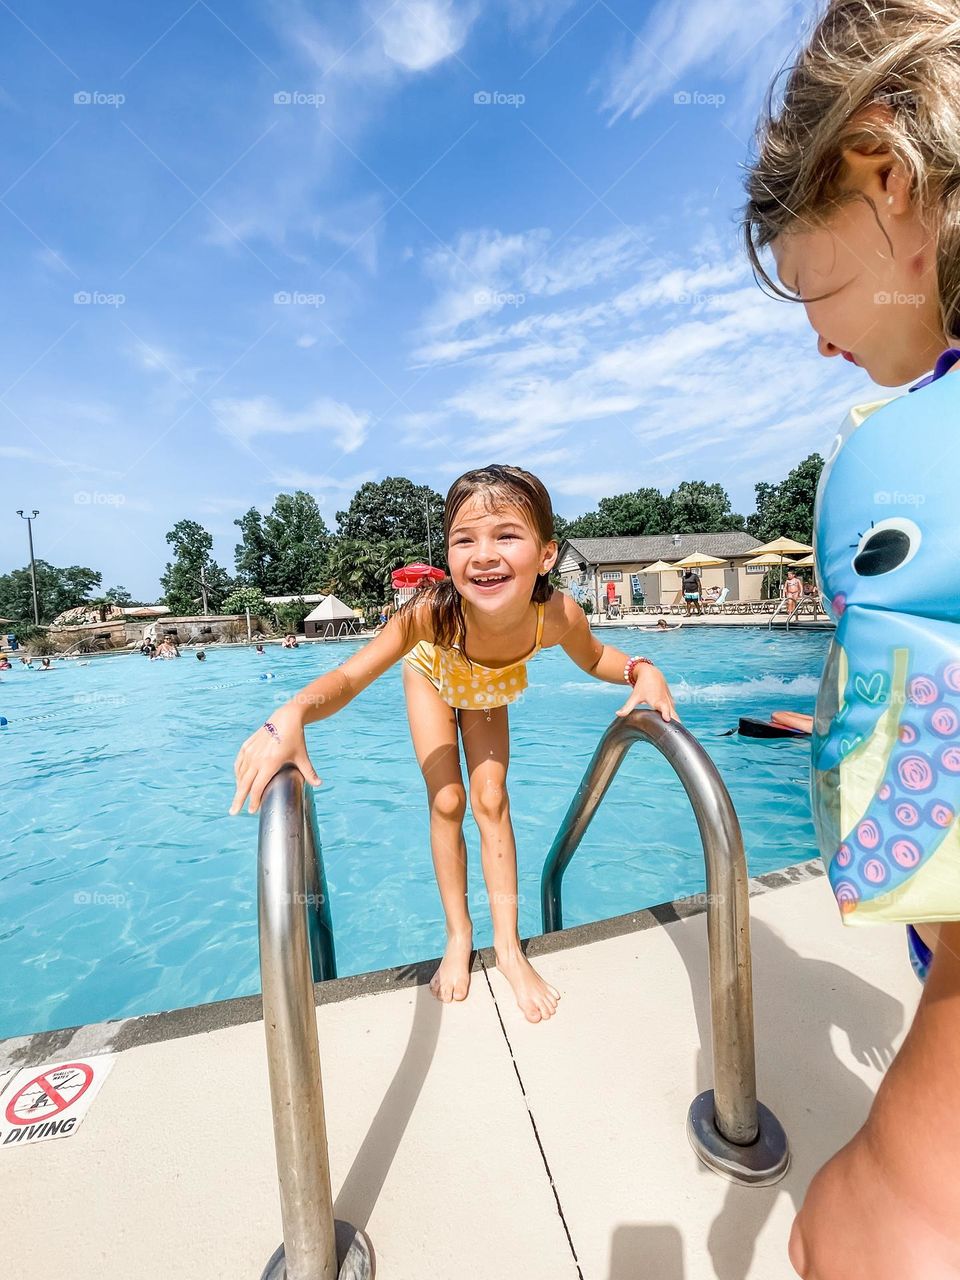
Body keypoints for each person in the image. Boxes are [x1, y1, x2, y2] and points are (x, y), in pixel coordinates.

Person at [744, 3, 960, 1275]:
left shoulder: (917, 468)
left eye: (810, 283)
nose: (819, 332)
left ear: (890, 175)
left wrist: (900, 1180)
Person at [231, 465, 678, 1023]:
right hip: (433, 674)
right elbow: (349, 677)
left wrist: (642, 669)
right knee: (449, 800)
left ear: (546, 554)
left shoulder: (556, 613)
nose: (483, 554)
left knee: (492, 799)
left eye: (506, 535)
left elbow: (595, 657)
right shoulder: (429, 614)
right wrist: (290, 713)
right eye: (464, 539)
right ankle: (459, 933)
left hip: (487, 686)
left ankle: (511, 949)